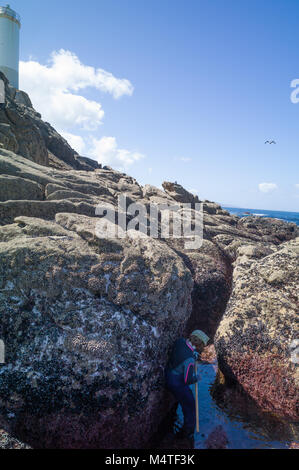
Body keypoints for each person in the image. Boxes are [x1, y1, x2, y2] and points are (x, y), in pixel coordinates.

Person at [165, 330, 210, 447]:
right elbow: (187, 380)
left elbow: (184, 351)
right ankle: (188, 432)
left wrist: (193, 353)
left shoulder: (180, 341)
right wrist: (197, 378)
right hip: (176, 382)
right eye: (202, 345)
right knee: (190, 405)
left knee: (187, 399)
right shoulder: (189, 360)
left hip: (169, 372)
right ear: (199, 343)